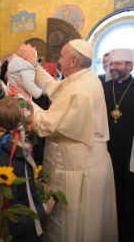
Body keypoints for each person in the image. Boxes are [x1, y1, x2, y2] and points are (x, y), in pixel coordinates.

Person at [10, 39, 118, 242]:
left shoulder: (80, 88)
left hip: (76, 169)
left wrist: (24, 99)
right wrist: (35, 67)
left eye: (61, 56)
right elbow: (54, 87)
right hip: (89, 160)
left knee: (70, 227)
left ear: (74, 60)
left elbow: (46, 126)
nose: (58, 60)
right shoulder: (84, 77)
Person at [0, 96, 55, 241]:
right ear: (23, 123)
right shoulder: (8, 160)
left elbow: (22, 193)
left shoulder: (12, 148)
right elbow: (10, 219)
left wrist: (38, 188)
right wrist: (43, 210)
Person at [103, 48, 134, 242]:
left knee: (127, 193)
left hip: (129, 151)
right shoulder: (104, 87)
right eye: (111, 64)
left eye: (117, 64)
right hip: (106, 150)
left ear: (130, 66)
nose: (112, 67)